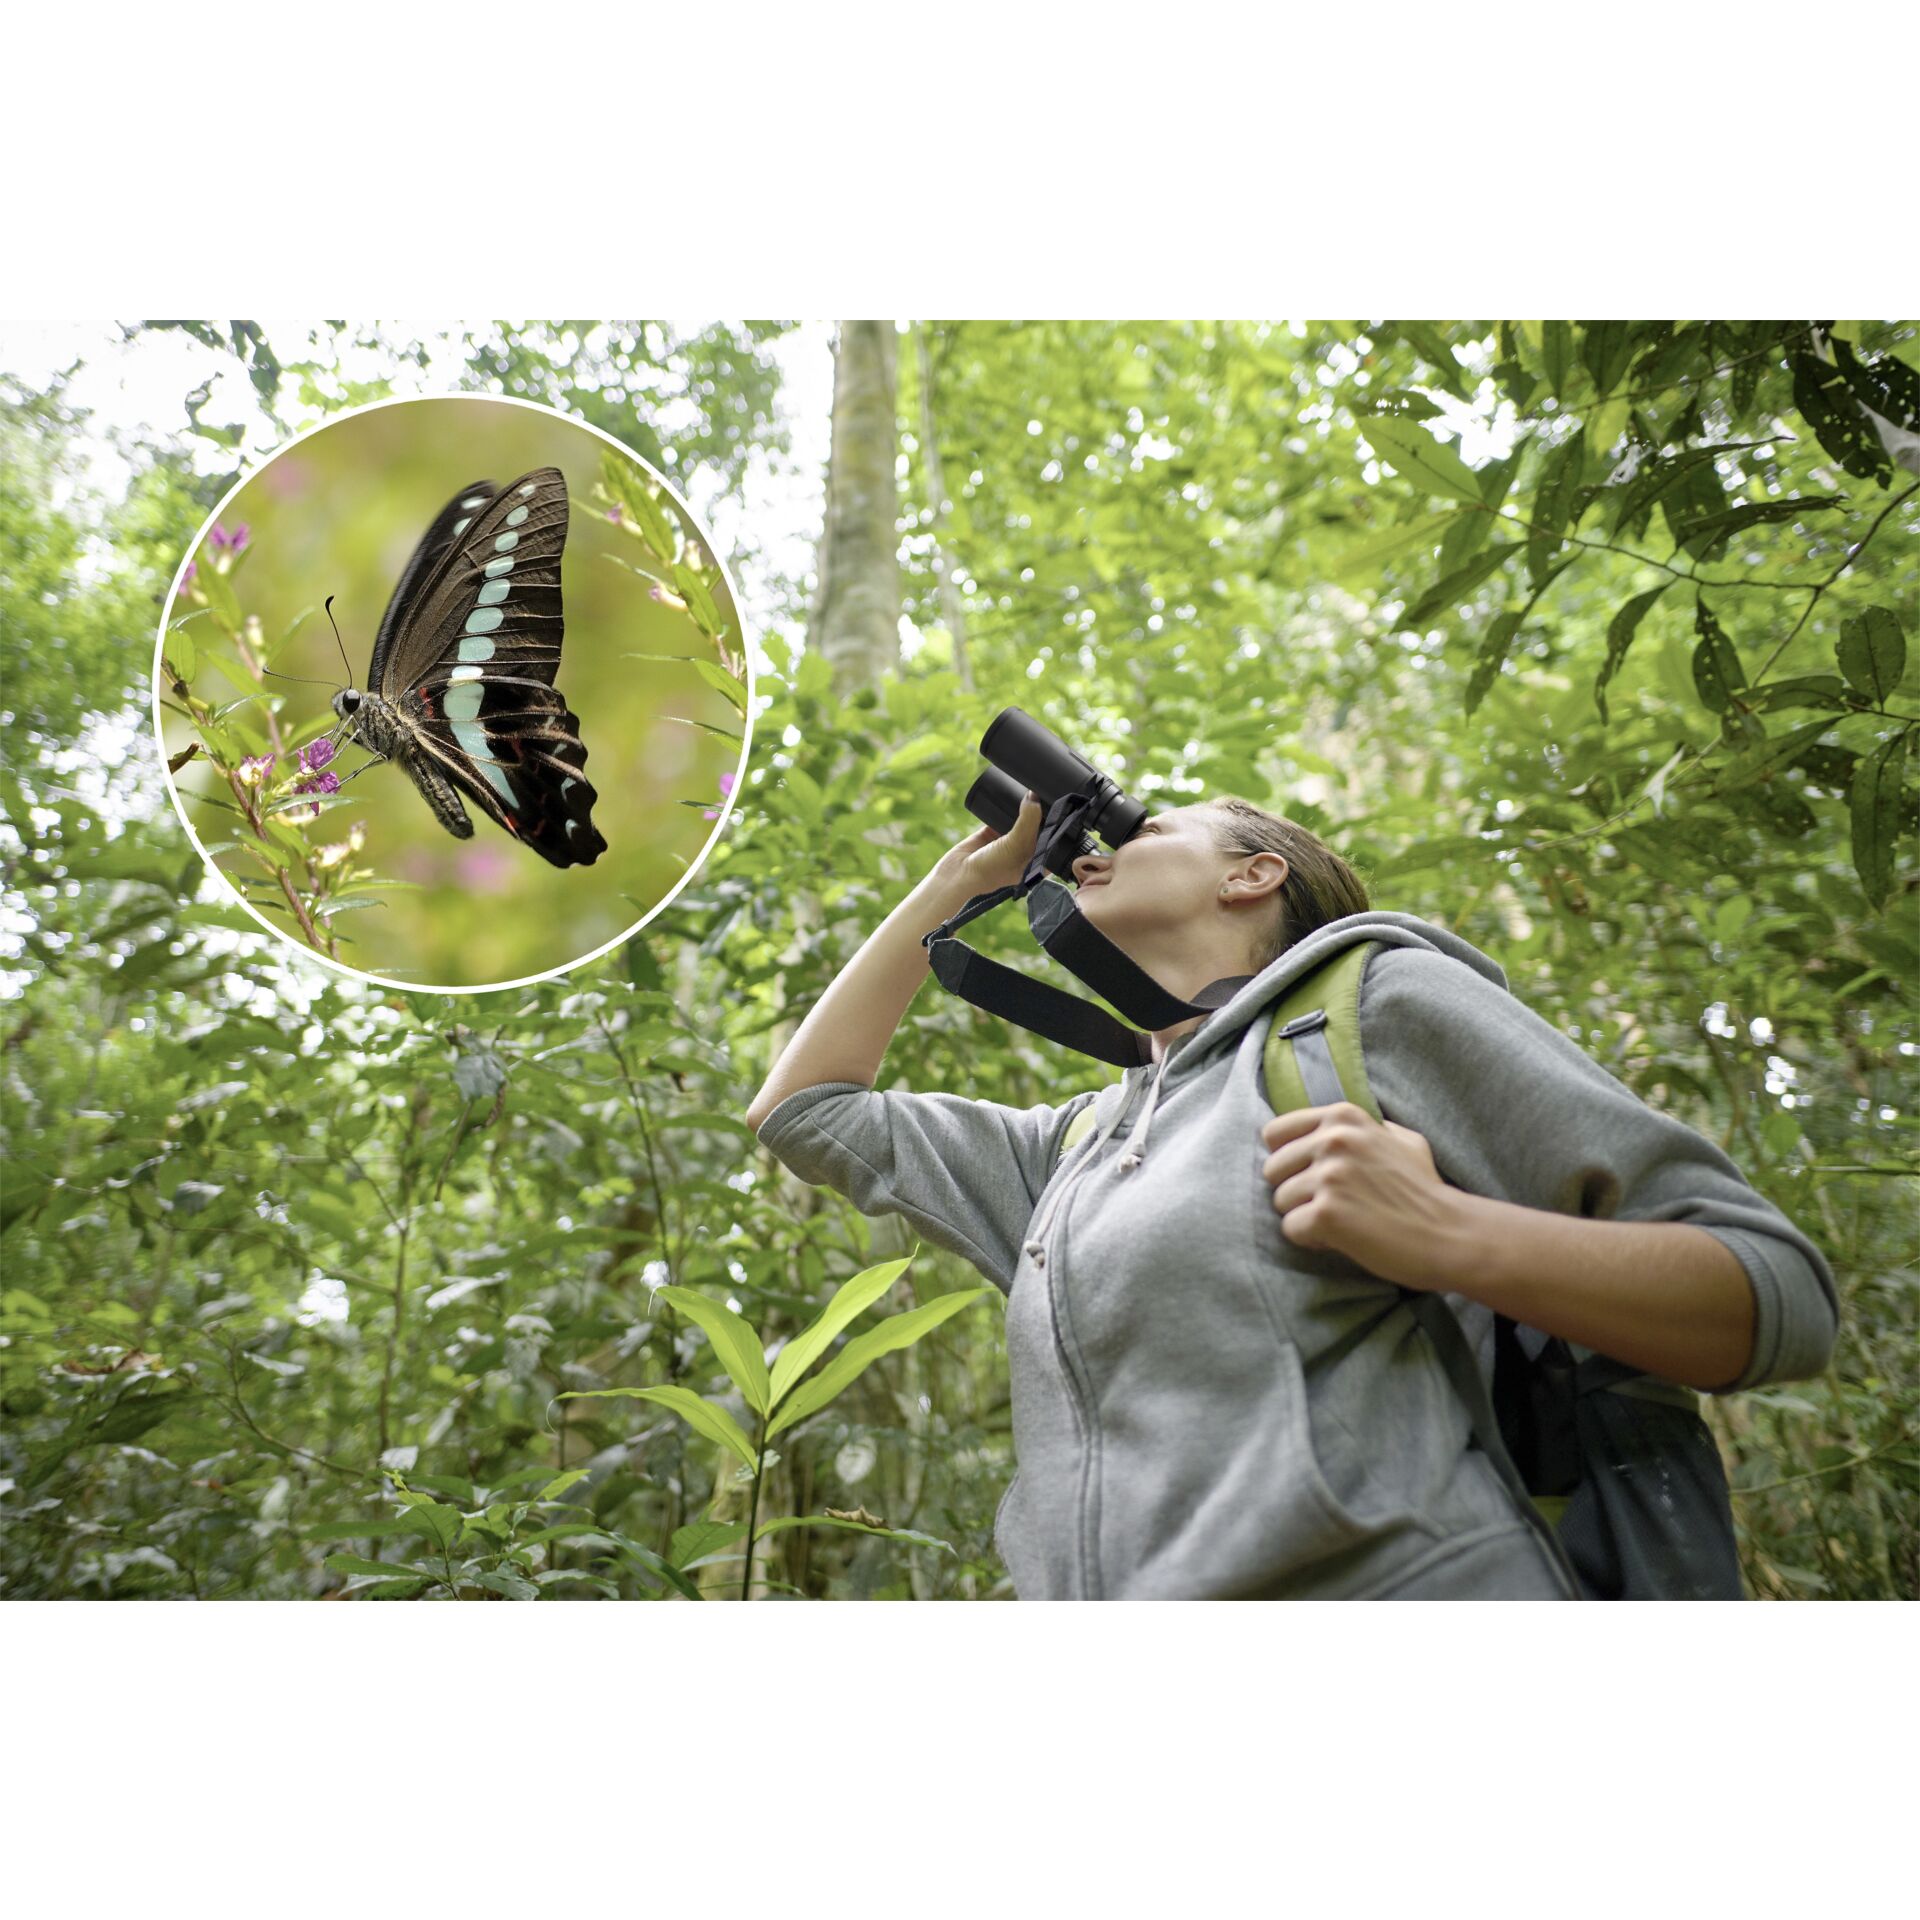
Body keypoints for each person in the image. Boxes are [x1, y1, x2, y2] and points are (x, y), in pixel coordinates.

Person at [746, 792, 1839, 1599]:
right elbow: (803, 1110)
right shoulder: (1076, 1147)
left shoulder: (1375, 1006)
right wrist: (959, 886)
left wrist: (1450, 1234)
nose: (1097, 850)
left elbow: (1775, 1297)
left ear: (1253, 875)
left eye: (1147, 827)